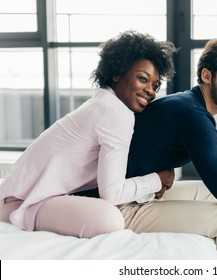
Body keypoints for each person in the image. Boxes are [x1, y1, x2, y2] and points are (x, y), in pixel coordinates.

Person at [0, 30, 177, 238]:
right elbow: (112, 193)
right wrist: (157, 179)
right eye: (142, 79)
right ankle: (30, 217)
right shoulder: (116, 113)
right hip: (21, 204)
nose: (151, 91)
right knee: (109, 219)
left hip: (15, 195)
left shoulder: (103, 104)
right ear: (116, 74)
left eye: (155, 85)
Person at [119, 37, 217, 259]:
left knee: (211, 194)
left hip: (138, 191)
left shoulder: (189, 104)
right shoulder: (193, 116)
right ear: (206, 75)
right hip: (121, 205)